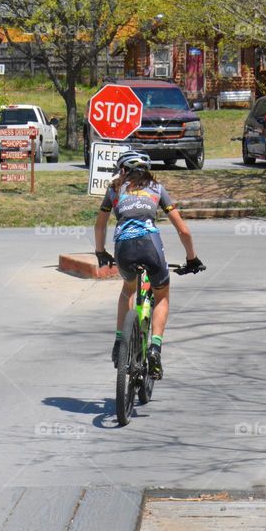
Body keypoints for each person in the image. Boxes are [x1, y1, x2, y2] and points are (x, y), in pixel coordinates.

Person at [94, 151, 204, 379]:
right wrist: (192, 258)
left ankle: (118, 341)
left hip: (123, 248)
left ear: (122, 171)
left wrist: (100, 252)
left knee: (128, 289)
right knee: (162, 294)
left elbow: (100, 226)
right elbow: (183, 230)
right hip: (150, 246)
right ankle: (155, 347)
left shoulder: (114, 189)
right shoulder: (157, 189)